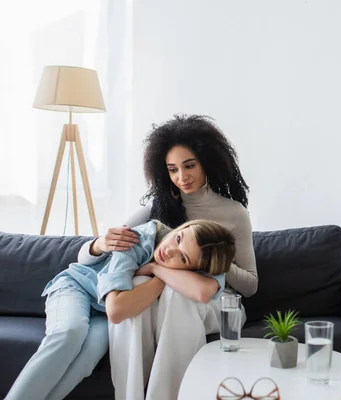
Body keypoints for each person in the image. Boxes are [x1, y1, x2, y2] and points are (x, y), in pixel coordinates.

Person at [79, 114, 258, 399]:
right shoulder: (157, 211)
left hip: (217, 302)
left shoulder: (234, 213)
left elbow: (249, 286)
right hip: (164, 299)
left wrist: (214, 257)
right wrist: (100, 243)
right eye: (172, 169)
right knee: (139, 291)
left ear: (207, 163)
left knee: (178, 295)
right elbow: (106, 253)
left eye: (189, 166)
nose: (182, 177)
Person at [6, 219, 235, 400]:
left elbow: (204, 292)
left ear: (195, 268)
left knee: (87, 357)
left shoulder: (203, 254)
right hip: (77, 288)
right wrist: (167, 276)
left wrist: (157, 270)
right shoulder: (140, 238)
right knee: (69, 333)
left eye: (182, 258)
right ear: (181, 228)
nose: (170, 251)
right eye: (177, 238)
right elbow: (116, 310)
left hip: (100, 313)